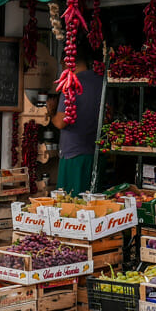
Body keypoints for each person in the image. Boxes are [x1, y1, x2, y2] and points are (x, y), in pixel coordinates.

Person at [47, 37, 102, 195]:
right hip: (95, 151)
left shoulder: (70, 84)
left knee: (70, 202)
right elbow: (108, 115)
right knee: (91, 201)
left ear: (67, 63)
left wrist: (51, 111)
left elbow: (61, 123)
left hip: (73, 153)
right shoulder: (101, 81)